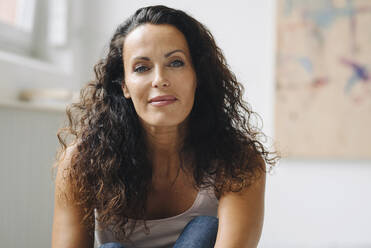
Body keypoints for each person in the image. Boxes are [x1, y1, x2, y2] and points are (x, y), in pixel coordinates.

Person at [52, 5, 278, 248]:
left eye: (176, 63)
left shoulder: (239, 161)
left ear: (197, 76)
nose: (160, 79)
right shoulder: (81, 161)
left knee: (205, 228)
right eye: (142, 68)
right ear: (124, 86)